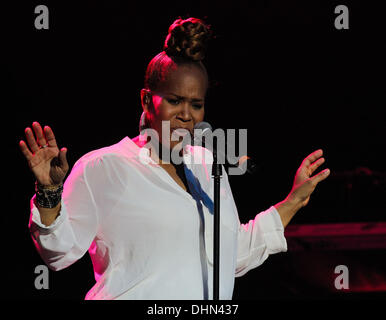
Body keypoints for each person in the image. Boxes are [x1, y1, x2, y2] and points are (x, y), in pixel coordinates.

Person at [19, 17, 330, 300]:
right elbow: (59, 253)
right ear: (146, 100)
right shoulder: (105, 167)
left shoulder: (207, 165)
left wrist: (293, 199)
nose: (185, 114)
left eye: (196, 104)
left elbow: (230, 254)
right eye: (174, 100)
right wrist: (48, 193)